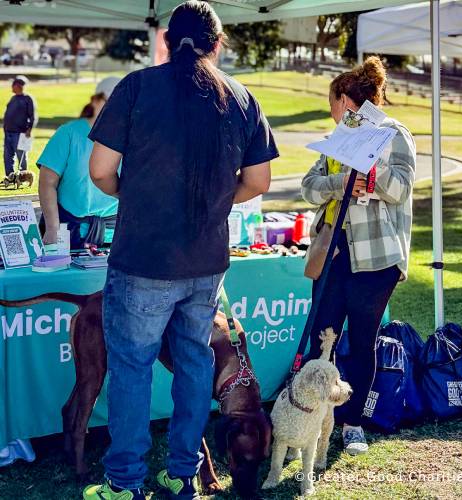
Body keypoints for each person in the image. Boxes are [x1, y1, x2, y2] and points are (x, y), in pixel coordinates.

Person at [83, 2, 278, 499]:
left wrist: (136, 195)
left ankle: (124, 484)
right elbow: (258, 181)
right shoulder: (241, 97)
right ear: (218, 44)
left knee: (132, 368)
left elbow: (101, 172)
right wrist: (215, 201)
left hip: (143, 258)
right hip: (205, 263)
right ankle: (181, 474)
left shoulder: (136, 87)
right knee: (194, 366)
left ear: (167, 41)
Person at [301, 56, 416, 456]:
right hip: (334, 253)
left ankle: (353, 425)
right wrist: (342, 182)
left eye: (333, 105)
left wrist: (373, 175)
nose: (332, 114)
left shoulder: (394, 133)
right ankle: (313, 419)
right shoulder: (341, 136)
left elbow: (401, 189)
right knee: (323, 337)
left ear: (347, 101)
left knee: (363, 342)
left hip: (377, 259)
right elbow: (309, 186)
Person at [37, 77, 121, 249]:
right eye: (110, 102)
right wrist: (52, 228)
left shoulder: (131, 137)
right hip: (67, 232)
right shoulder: (69, 133)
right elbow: (47, 183)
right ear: (95, 100)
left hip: (115, 234)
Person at [3, 75, 36, 179]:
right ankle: (10, 177)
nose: (12, 87)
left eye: (13, 85)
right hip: (8, 132)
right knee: (7, 157)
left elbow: (32, 116)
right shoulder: (13, 98)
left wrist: (29, 129)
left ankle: (22, 177)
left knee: (21, 156)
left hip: (20, 133)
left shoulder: (27, 99)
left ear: (18, 86)